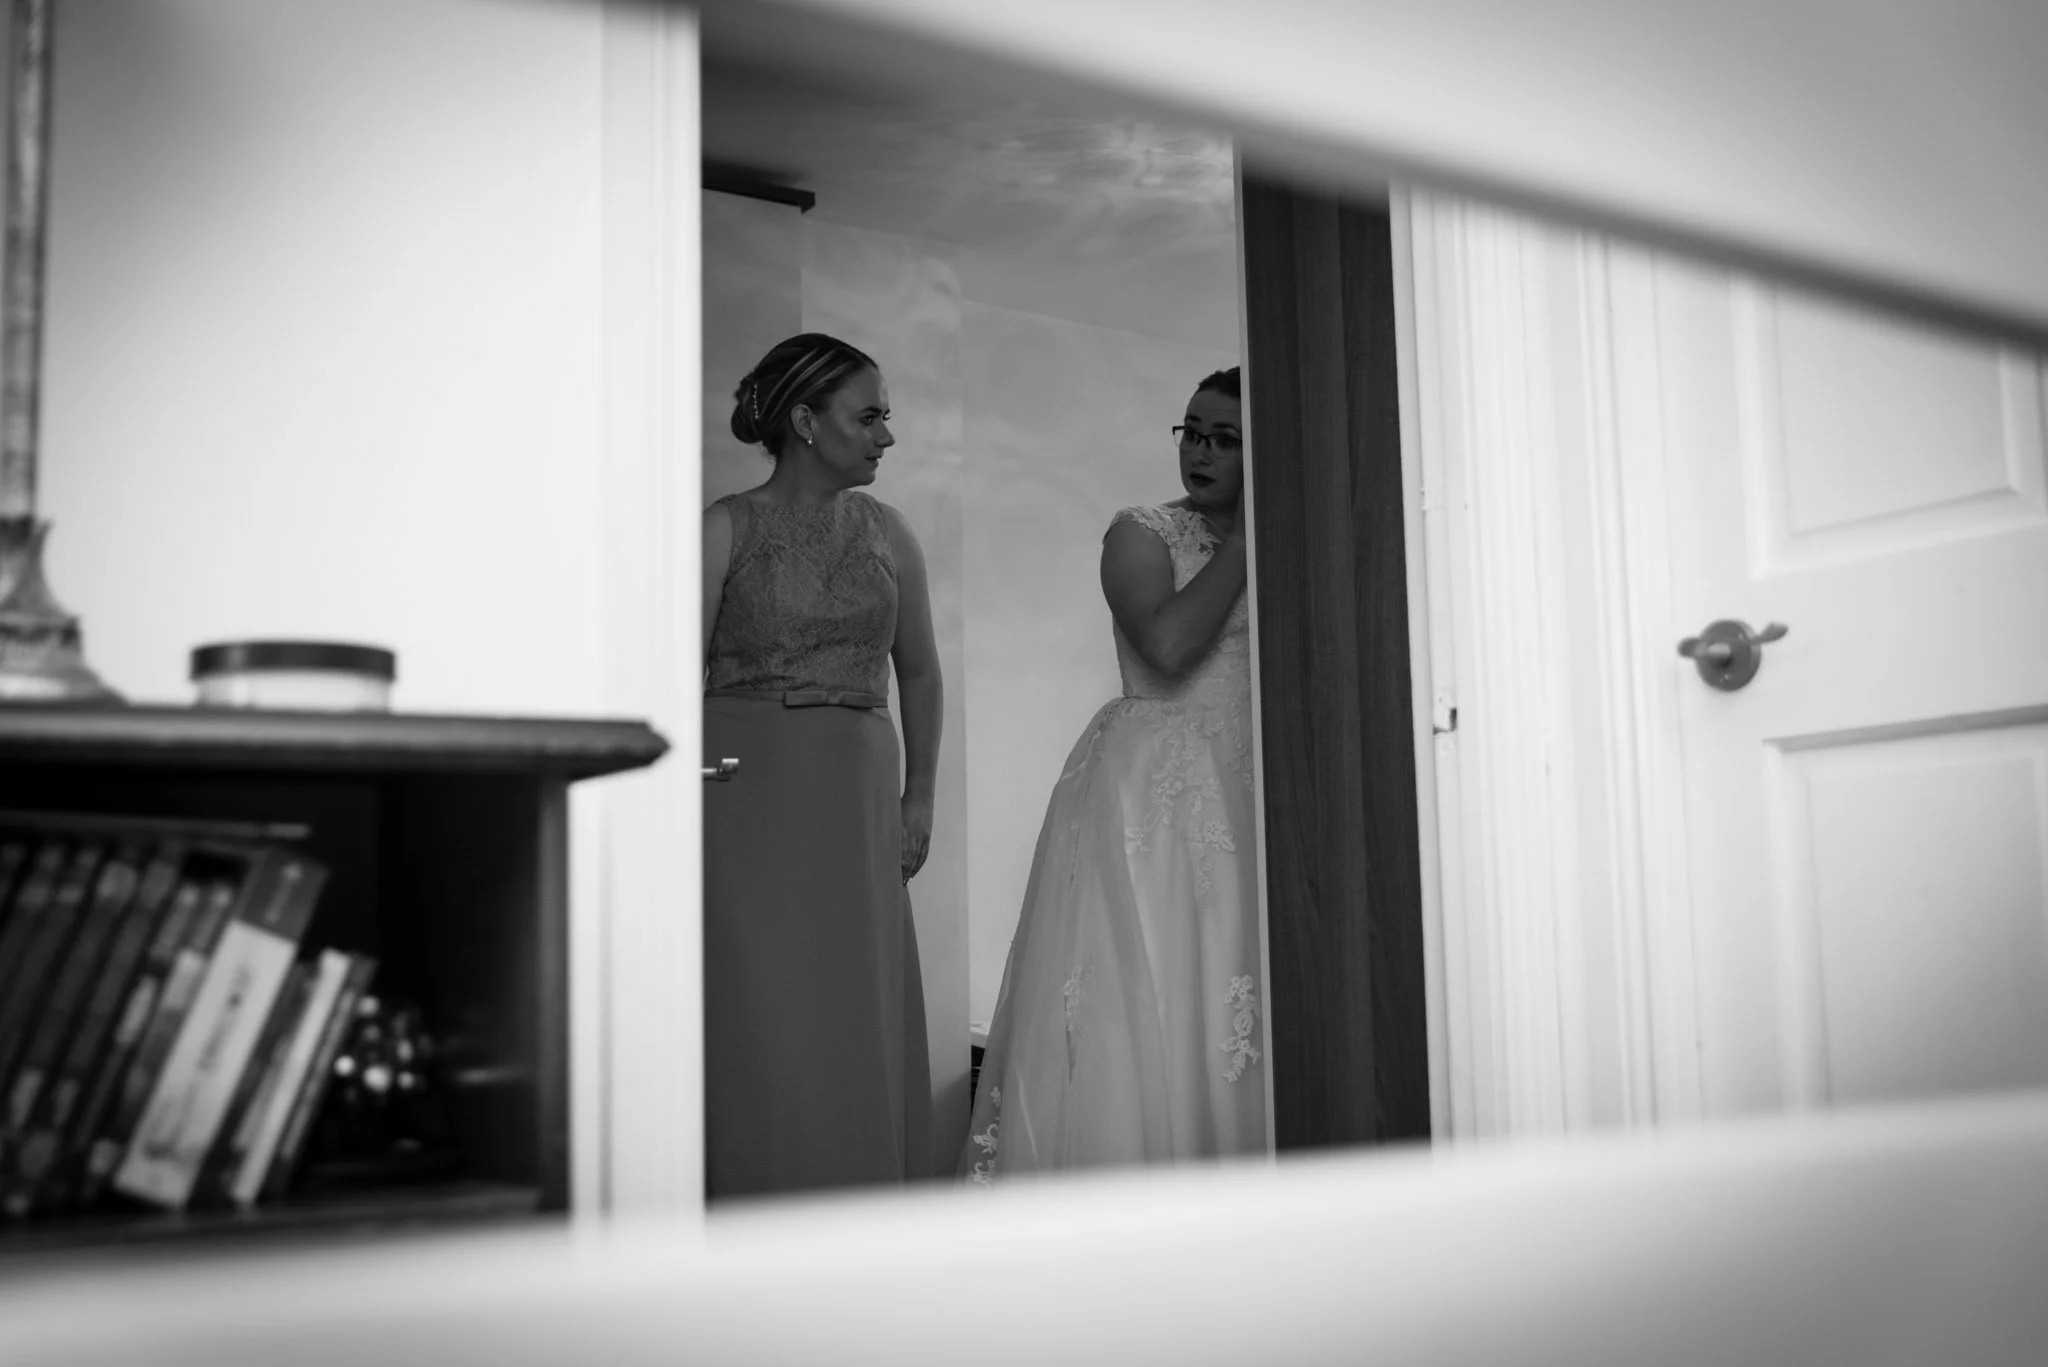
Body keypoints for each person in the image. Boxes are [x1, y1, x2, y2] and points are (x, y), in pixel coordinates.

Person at [961, 366, 1266, 1183]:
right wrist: (1245, 544)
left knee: (1236, 996)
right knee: (1149, 992)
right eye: (1191, 431)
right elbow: (1167, 651)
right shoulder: (1140, 531)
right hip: (1158, 793)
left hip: (1259, 784)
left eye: (1225, 438)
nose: (1198, 451)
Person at [701, 332, 938, 1201]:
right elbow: (676, 676)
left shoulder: (890, 531)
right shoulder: (726, 527)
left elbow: (919, 670)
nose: (886, 434)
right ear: (805, 420)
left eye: (886, 416)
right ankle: (751, 1199)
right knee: (759, 1003)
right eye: (868, 415)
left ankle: (856, 1202)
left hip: (856, 789)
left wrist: (921, 797)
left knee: (851, 1004)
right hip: (743, 787)